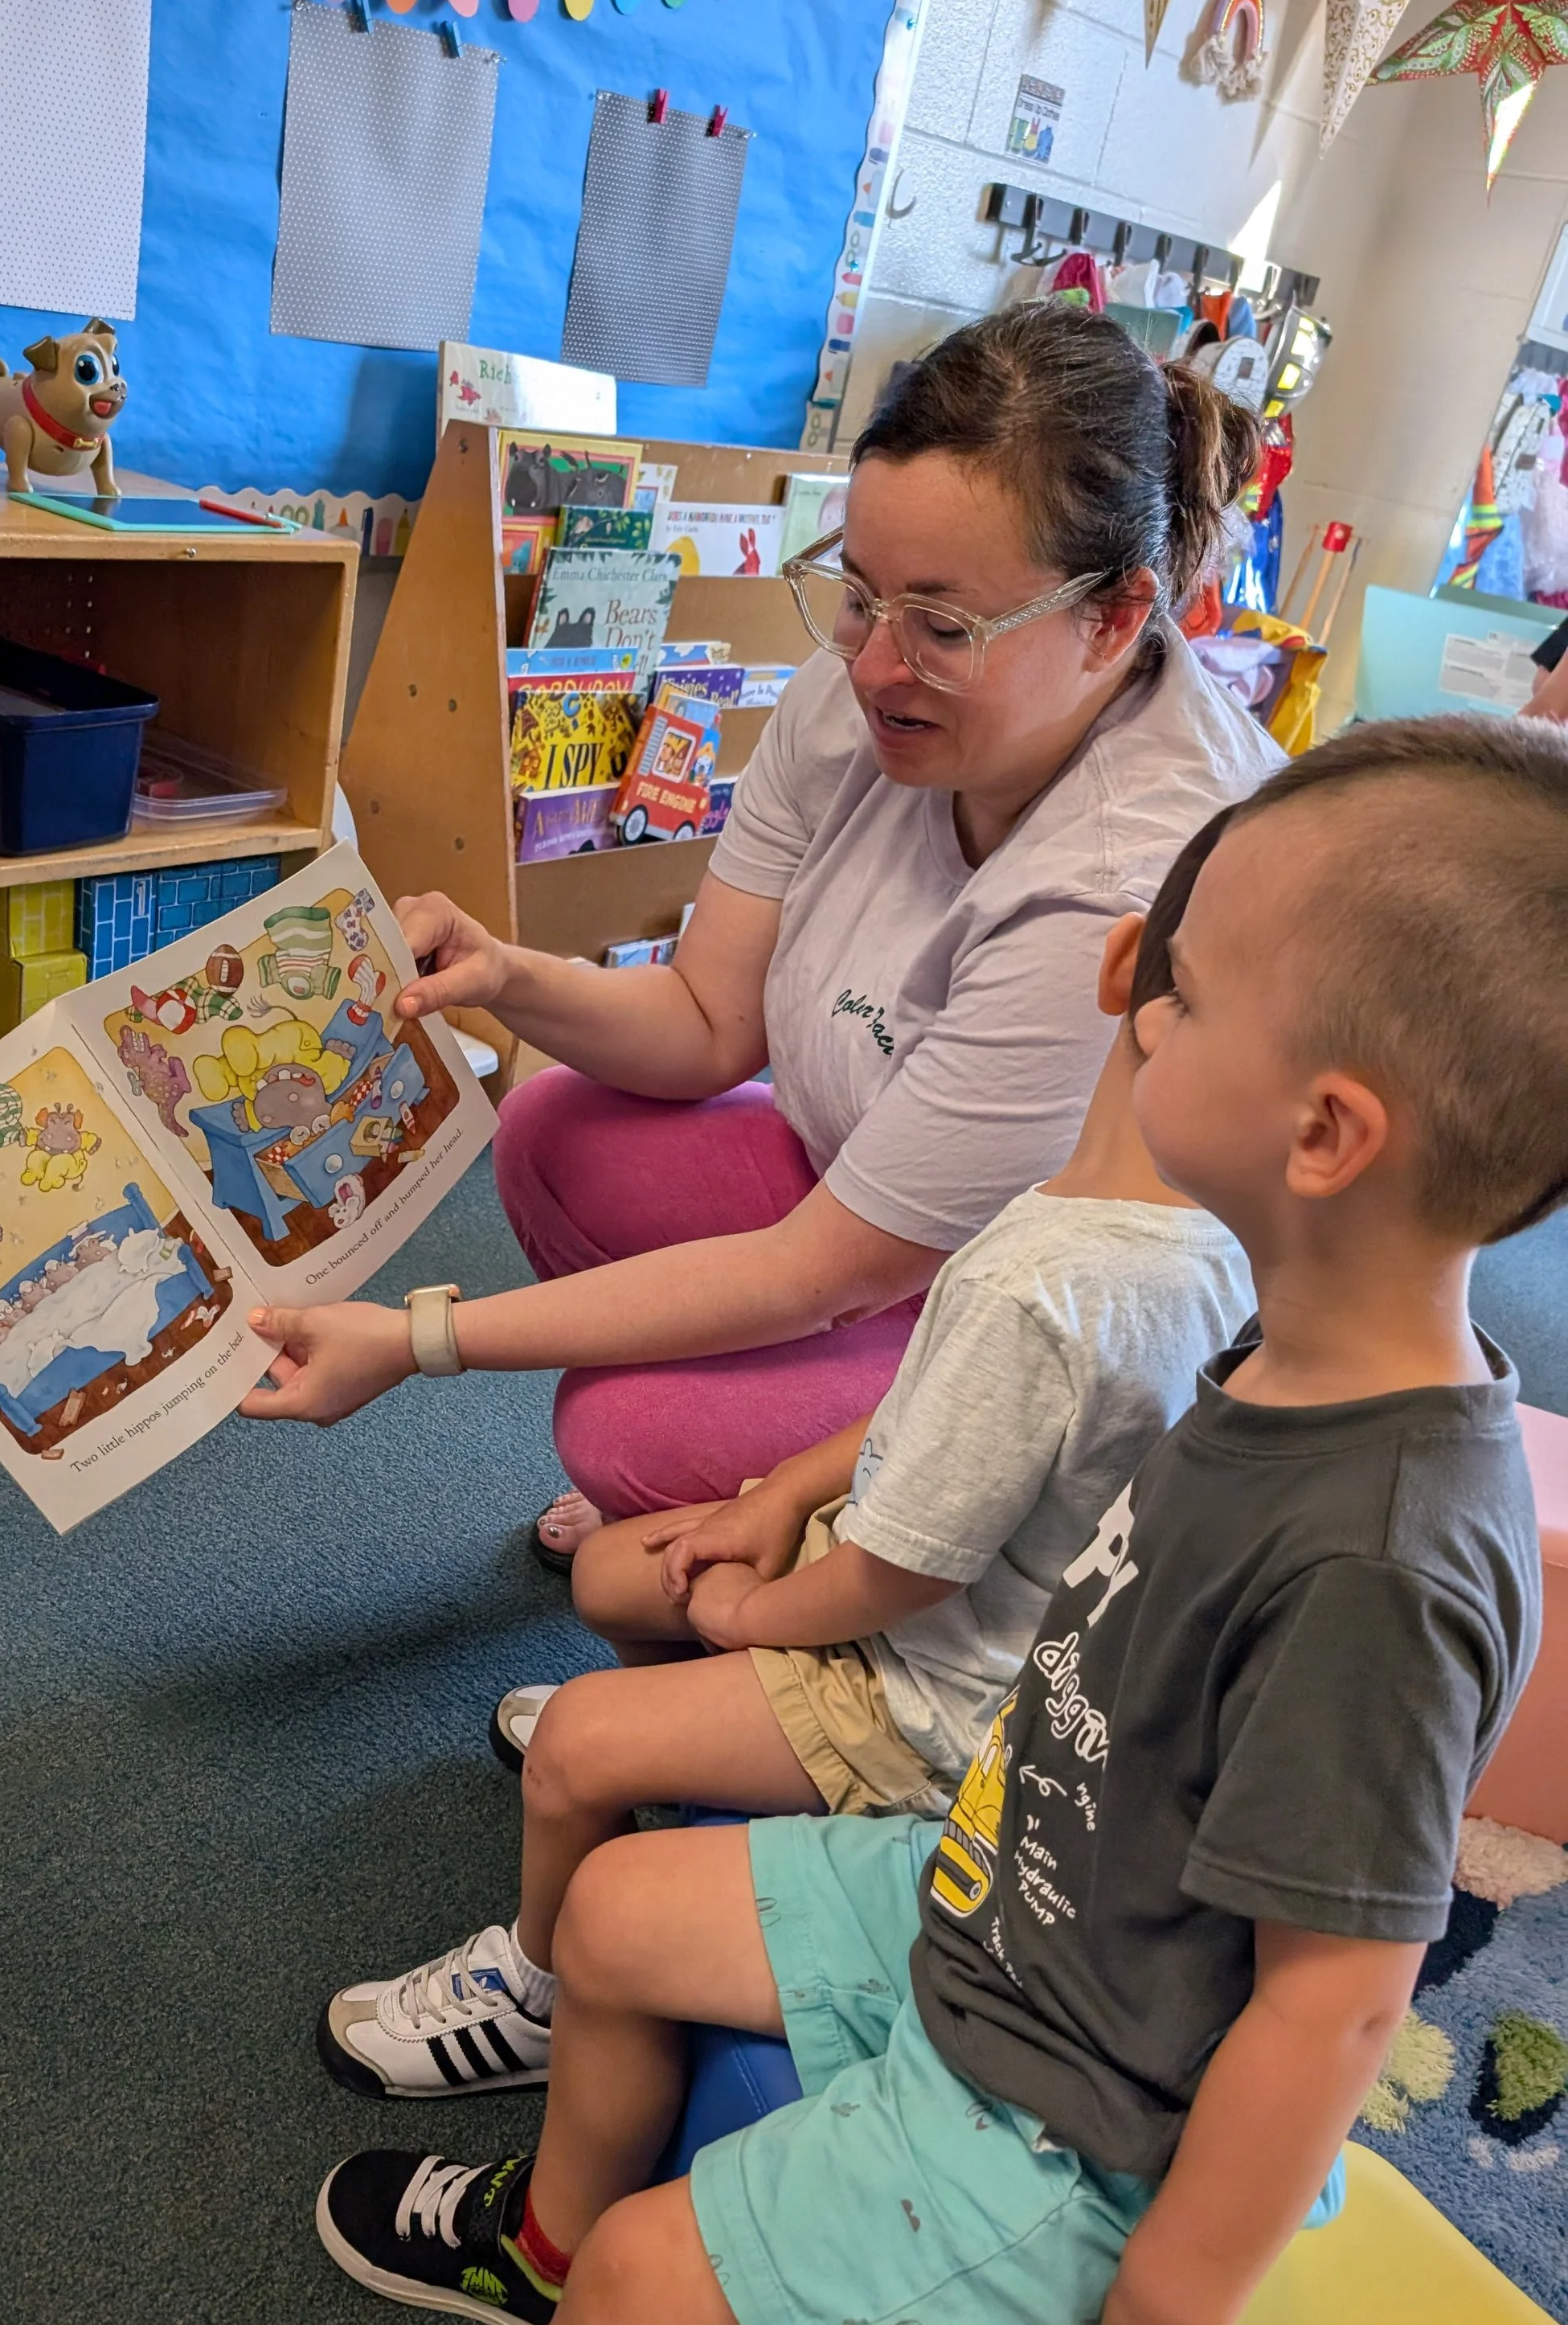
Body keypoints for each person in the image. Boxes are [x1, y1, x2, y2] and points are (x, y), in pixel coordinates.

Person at [179, 713, 1559, 2325]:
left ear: (1323, 1131)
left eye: (1183, 992)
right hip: (1017, 1902)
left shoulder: (1388, 1552)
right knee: (617, 1912)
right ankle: (543, 2250)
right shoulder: (1292, 1332)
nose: (1129, 1007)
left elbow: (1332, 2006)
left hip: (1097, 2113)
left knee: (665, 2289)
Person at [239, 308, 1280, 1568]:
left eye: (943, 630)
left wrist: (419, 1339)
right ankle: (738, 1493)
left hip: (1031, 1330)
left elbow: (816, 1271)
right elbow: (705, 1024)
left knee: (625, 1431)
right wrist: (508, 976)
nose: (875, 664)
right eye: (855, 596)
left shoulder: (1124, 878)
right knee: (552, 1125)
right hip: (868, 1218)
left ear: (1116, 619)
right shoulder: (852, 706)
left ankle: (858, 1566)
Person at [318, 837, 1255, 2098]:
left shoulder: (1051, 1280)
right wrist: (785, 1491)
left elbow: (897, 1573)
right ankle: (708, 1757)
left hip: (943, 1690)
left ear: (1121, 965)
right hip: (969, 1599)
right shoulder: (1184, 1230)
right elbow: (940, 1423)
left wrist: (758, 1609)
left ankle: (541, 1991)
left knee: (579, 1744)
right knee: (609, 1573)